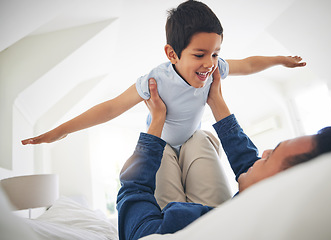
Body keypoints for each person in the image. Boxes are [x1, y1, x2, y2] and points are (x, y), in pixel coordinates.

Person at [21, 1, 305, 207]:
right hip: (162, 145)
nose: (209, 63)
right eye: (200, 54)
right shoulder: (156, 80)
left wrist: (280, 60)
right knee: (167, 199)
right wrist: (62, 130)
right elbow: (110, 108)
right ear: (172, 53)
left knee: (209, 180)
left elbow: (249, 64)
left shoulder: (215, 69)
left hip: (194, 138)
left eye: (216, 53)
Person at [116, 69, 331, 240]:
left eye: (271, 156)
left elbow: (135, 210)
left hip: (168, 223)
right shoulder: (269, 204)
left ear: (282, 187)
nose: (264, 152)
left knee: (164, 148)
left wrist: (157, 124)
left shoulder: (206, 228)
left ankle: (165, 143)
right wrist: (216, 100)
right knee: (199, 137)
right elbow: (250, 165)